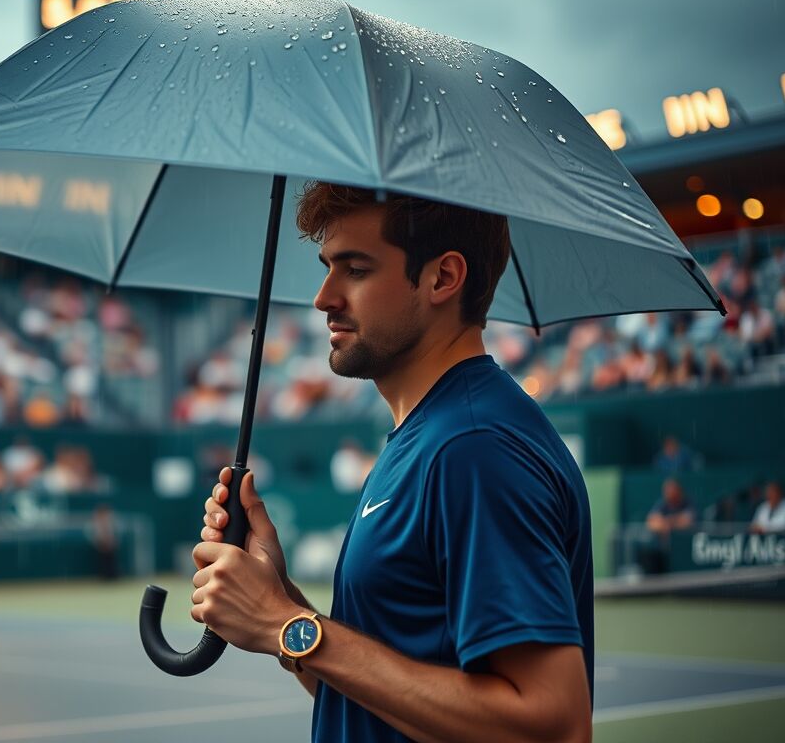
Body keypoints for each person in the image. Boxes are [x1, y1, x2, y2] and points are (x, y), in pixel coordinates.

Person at [196, 184, 592, 742]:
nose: (324, 297)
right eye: (328, 268)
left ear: (442, 278)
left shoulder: (472, 448)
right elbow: (383, 700)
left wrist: (286, 626)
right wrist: (280, 599)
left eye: (355, 270)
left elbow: (552, 726)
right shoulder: (430, 434)